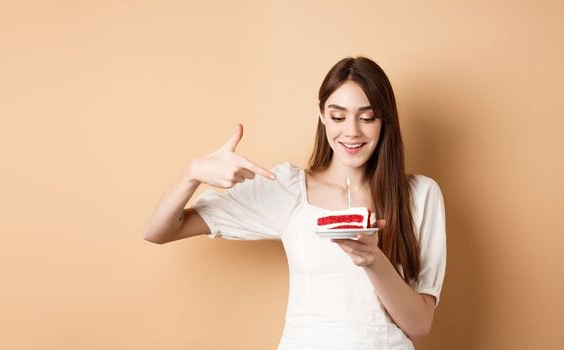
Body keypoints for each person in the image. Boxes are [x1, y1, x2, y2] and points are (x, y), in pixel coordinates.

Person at [142, 56, 446, 349]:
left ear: (384, 120)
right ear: (322, 115)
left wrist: (372, 259)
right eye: (338, 116)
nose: (352, 131)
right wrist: (193, 174)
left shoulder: (420, 196)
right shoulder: (287, 190)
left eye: (366, 117)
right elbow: (159, 231)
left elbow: (419, 326)